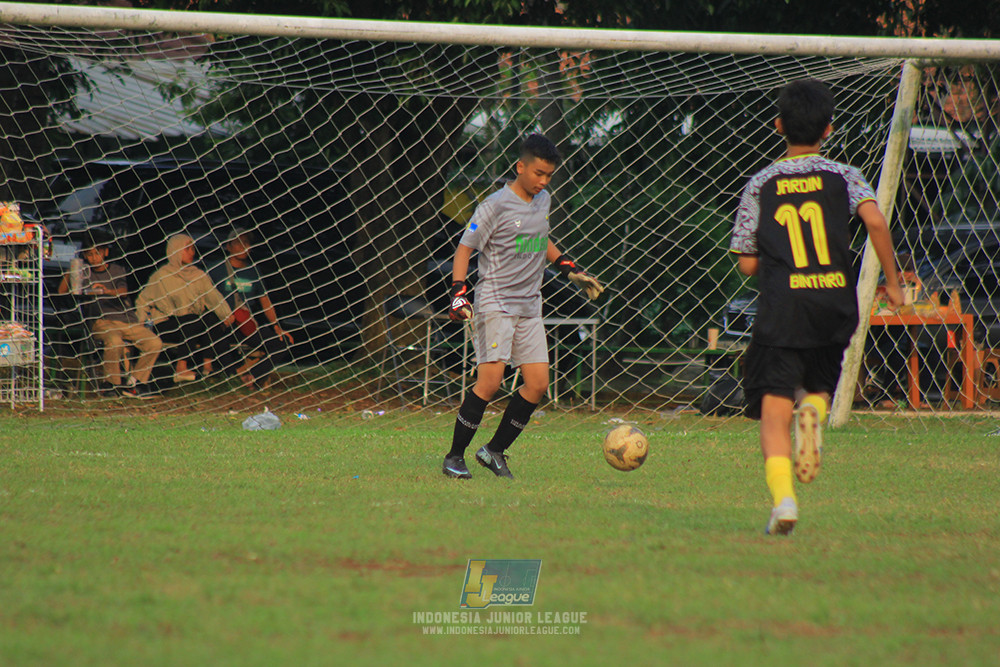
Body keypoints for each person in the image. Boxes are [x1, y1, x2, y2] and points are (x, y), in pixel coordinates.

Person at [729, 79, 904, 535]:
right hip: (834, 301)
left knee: (773, 415)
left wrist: (774, 253)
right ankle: (814, 412)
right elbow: (875, 221)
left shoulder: (761, 183)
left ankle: (784, 503)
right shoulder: (845, 175)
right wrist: (892, 281)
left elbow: (747, 264)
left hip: (784, 307)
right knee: (819, 385)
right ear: (829, 129)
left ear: (778, 125)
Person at [441, 133, 605, 480]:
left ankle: (494, 451)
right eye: (538, 174)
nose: (544, 182)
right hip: (495, 303)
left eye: (549, 175)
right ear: (520, 167)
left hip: (530, 306)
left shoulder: (542, 200)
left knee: (537, 384)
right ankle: (454, 457)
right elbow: (464, 248)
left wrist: (569, 269)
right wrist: (458, 292)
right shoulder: (494, 206)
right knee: (490, 382)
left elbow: (540, 239)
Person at [57, 236, 162, 399]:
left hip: (125, 319)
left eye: (97, 253)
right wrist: (71, 272)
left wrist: (106, 291)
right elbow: (61, 292)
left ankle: (136, 383)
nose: (94, 258)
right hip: (101, 321)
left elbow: (123, 291)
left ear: (105, 252)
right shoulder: (84, 272)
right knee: (114, 341)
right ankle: (111, 384)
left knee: (154, 342)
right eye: (89, 255)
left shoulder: (117, 270)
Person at [136, 234, 235, 383]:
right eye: (187, 249)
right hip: (166, 324)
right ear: (175, 250)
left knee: (211, 317)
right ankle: (181, 368)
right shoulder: (161, 275)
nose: (191, 252)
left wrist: (226, 314)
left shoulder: (197, 275)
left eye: (192, 249)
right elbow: (143, 301)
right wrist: (143, 325)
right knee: (191, 320)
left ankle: (207, 366)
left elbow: (213, 297)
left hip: (192, 324)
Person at [208, 228, 293, 389]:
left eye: (246, 242)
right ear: (228, 246)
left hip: (246, 324)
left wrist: (276, 326)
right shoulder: (215, 269)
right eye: (238, 243)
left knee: (283, 342)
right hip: (222, 323)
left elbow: (264, 300)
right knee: (218, 334)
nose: (243, 246)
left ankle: (252, 376)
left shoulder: (253, 271)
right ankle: (231, 375)